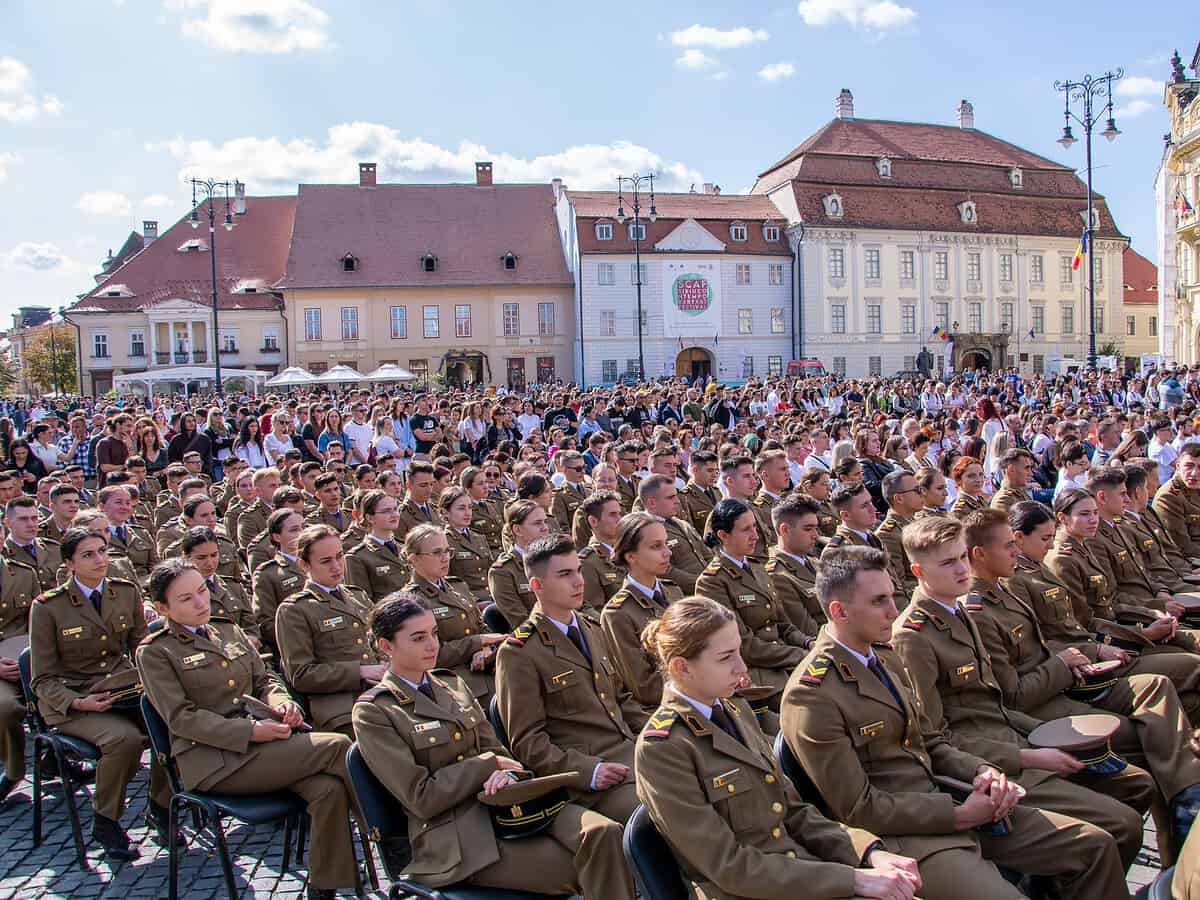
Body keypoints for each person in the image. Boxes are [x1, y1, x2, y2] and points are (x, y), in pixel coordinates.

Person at [781, 545, 1130, 900]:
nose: (893, 610)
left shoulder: (882, 658)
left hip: (954, 798)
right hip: (908, 837)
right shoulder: (812, 694)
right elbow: (858, 808)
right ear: (839, 611)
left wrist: (982, 772)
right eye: (878, 602)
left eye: (891, 596)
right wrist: (958, 816)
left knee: (1095, 846)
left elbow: (930, 740)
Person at [892, 514, 1154, 871]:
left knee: (1135, 784)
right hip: (991, 762)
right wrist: (1029, 756)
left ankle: (1064, 879)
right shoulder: (913, 635)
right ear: (919, 572)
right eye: (948, 562)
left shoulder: (956, 610)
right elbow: (937, 737)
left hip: (1016, 734)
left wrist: (1041, 735)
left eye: (962, 557)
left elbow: (993, 703)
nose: (961, 569)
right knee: (1118, 827)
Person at [636, 596, 923, 900]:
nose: (741, 667)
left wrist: (869, 852)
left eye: (739, 652)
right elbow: (730, 867)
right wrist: (854, 880)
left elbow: (793, 812)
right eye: (726, 657)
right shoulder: (664, 748)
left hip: (801, 875)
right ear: (682, 668)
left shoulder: (736, 711)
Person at [352, 593, 634, 899]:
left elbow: (502, 755)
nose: (432, 645)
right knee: (577, 866)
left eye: (434, 633)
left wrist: (507, 773)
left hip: (511, 805)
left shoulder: (452, 685)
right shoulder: (375, 711)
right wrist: (487, 767)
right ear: (386, 646)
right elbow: (421, 797)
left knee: (603, 834)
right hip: (459, 835)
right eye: (418, 638)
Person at [136, 558, 358, 899]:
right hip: (214, 761)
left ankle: (324, 888)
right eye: (186, 599)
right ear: (161, 607)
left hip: (265, 748)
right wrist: (250, 732)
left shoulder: (227, 630)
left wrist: (284, 703)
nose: (201, 602)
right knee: (339, 746)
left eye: (201, 591)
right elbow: (181, 718)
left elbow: (264, 679)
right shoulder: (156, 652)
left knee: (328, 789)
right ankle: (393, 840)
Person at [28, 528, 170, 859]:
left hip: (123, 691)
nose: (99, 560)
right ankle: (106, 821)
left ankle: (161, 807)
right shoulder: (48, 608)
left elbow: (140, 648)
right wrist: (78, 702)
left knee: (174, 724)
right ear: (69, 564)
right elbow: (42, 679)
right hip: (73, 702)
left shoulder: (124, 592)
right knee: (125, 740)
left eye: (102, 551)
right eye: (88, 555)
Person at [493, 534, 642, 824]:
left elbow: (620, 699)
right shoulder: (519, 652)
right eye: (564, 574)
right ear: (537, 585)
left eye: (577, 570)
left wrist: (657, 739)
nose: (578, 581)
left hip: (633, 754)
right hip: (592, 778)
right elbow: (528, 742)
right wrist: (589, 771)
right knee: (668, 811)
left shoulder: (590, 628)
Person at [695, 499, 806, 725]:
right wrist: (798, 656)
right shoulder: (712, 582)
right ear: (723, 536)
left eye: (754, 527)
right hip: (758, 677)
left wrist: (808, 644)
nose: (755, 535)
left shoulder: (757, 569)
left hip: (785, 663)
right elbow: (744, 646)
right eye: (746, 529)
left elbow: (783, 625)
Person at [275, 524, 384, 735]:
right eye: (326, 561)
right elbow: (301, 674)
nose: (336, 566)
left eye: (339, 556)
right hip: (341, 707)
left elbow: (377, 641)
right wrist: (359, 671)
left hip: (379, 690)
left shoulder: (357, 596)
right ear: (304, 565)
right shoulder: (295, 610)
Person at [401, 523, 501, 702]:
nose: (445, 558)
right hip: (453, 682)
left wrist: (486, 649)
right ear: (414, 559)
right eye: (436, 553)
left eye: (447, 551)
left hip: (487, 668)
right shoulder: (411, 600)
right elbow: (429, 655)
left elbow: (481, 627)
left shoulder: (458, 586)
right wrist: (475, 643)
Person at [600, 512, 682, 726]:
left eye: (665, 544)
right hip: (665, 709)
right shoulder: (618, 613)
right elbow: (644, 687)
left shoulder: (673, 592)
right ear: (631, 556)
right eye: (656, 547)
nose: (667, 552)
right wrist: (701, 680)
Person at [0, 552, 39, 803]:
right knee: (4, 708)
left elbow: (41, 622)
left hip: (30, 659)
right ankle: (13, 770)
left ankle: (58, 760)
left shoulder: (24, 573)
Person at [764, 492, 824, 643]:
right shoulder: (777, 575)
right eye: (808, 529)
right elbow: (808, 631)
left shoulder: (814, 562)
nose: (815, 535)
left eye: (816, 528)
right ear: (785, 530)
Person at [251, 507, 306, 655]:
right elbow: (266, 623)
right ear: (276, 537)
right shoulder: (268, 574)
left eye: (304, 527)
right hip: (296, 648)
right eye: (294, 530)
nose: (302, 534)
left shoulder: (319, 562)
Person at [488, 499, 551, 628]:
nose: (545, 528)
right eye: (537, 523)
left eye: (545, 521)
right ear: (518, 530)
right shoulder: (502, 572)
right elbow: (521, 623)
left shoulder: (554, 560)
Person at [439, 485, 494, 602]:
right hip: (467, 601)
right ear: (445, 512)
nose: (468, 513)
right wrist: (474, 602)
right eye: (461, 508)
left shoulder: (479, 537)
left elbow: (491, 571)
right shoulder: (442, 541)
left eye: (470, 507)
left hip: (492, 597)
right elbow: (445, 581)